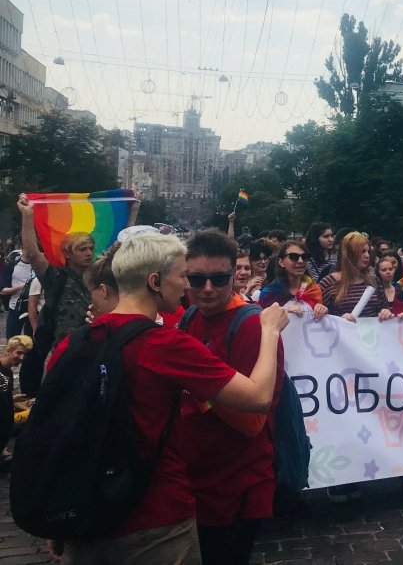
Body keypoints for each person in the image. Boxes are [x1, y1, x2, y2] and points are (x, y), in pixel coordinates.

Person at [47, 233, 288, 565]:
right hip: (151, 514)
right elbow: (257, 397)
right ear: (155, 281)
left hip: (96, 511)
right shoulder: (166, 344)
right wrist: (271, 330)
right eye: (188, 277)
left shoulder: (75, 343)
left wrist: (58, 514)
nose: (200, 288)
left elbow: (58, 432)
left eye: (218, 278)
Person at [177, 230, 289, 565]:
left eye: (219, 278)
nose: (207, 288)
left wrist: (199, 386)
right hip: (196, 476)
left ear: (234, 275)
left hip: (236, 483)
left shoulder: (252, 326)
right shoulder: (190, 317)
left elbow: (254, 420)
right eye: (197, 279)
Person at [17, 193, 137, 395]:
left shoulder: (101, 277)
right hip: (64, 357)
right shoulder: (56, 278)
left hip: (97, 355)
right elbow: (31, 253)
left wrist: (132, 209)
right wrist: (27, 216)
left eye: (91, 248)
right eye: (82, 249)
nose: (89, 253)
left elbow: (122, 248)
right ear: (68, 253)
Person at [320, 232, 392, 322]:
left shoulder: (374, 280)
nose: (367, 255)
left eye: (368, 251)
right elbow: (317, 318)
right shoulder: (327, 283)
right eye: (362, 251)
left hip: (371, 335)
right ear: (349, 254)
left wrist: (385, 312)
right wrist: (339, 320)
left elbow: (384, 307)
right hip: (341, 335)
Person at [258, 240, 328, 319]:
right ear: (281, 262)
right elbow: (262, 321)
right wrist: (286, 312)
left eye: (305, 257)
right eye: (294, 257)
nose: (300, 261)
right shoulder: (269, 293)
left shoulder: (314, 290)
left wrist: (322, 310)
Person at [0, 335, 32, 470]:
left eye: (24, 354)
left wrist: (14, 400)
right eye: (19, 352)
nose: (21, 358)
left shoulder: (8, 372)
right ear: (9, 350)